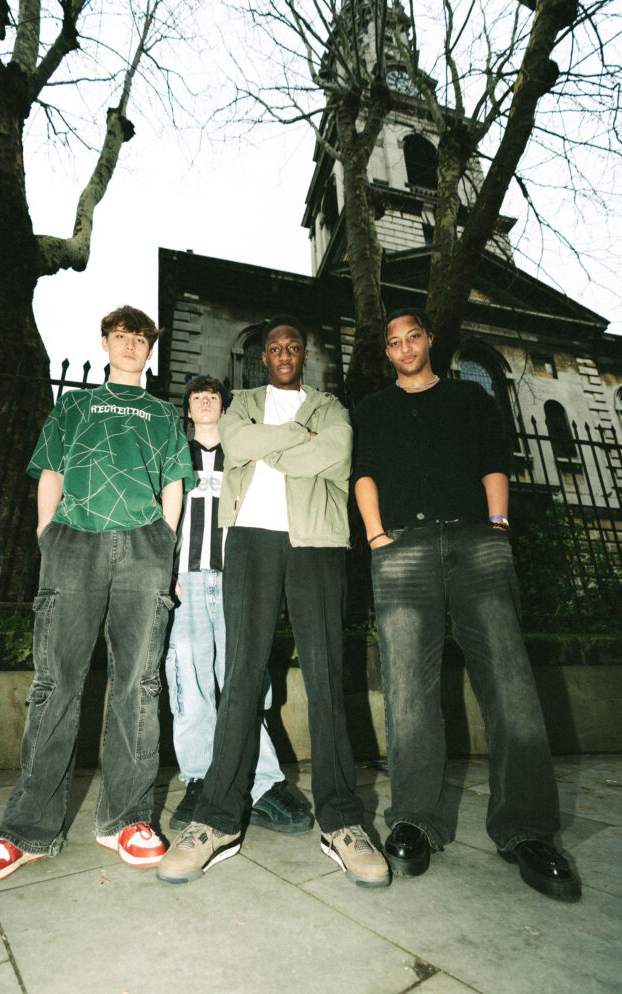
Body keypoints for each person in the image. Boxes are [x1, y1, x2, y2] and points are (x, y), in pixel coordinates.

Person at [0, 305, 196, 888]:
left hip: (143, 544)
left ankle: (127, 819)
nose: (131, 345)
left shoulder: (163, 413)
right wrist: (47, 533)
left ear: (150, 349)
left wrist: (163, 545)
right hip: (75, 539)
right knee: (56, 681)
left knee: (139, 682)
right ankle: (25, 831)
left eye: (141, 338)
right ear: (105, 343)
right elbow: (50, 470)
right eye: (121, 335)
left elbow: (173, 482)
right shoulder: (74, 406)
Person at [352, 307, 580, 901]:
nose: (405, 347)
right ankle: (414, 820)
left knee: (509, 681)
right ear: (387, 352)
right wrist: (376, 538)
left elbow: (493, 463)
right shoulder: (372, 409)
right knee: (408, 687)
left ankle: (527, 830)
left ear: (430, 339)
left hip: (478, 543)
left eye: (414, 337)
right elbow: (364, 473)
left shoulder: (469, 399)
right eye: (394, 342)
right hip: (402, 548)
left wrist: (498, 526)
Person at [156, 315, 390, 889]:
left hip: (317, 544)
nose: (284, 353)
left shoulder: (331, 408)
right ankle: (217, 820)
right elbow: (238, 443)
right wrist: (296, 440)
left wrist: (273, 446)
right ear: (263, 357)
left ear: (304, 354)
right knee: (240, 676)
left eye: (293, 346)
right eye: (274, 348)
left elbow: (336, 454)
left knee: (326, 676)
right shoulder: (241, 404)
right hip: (250, 542)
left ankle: (342, 822)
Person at [164, 374, 312, 834]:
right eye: (197, 397)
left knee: (244, 682)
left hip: (237, 581)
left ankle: (262, 784)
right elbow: (160, 516)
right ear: (188, 409)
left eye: (213, 396)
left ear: (224, 408)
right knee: (190, 682)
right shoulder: (173, 455)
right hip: (186, 583)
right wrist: (164, 572)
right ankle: (199, 779)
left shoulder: (242, 454)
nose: (205, 402)